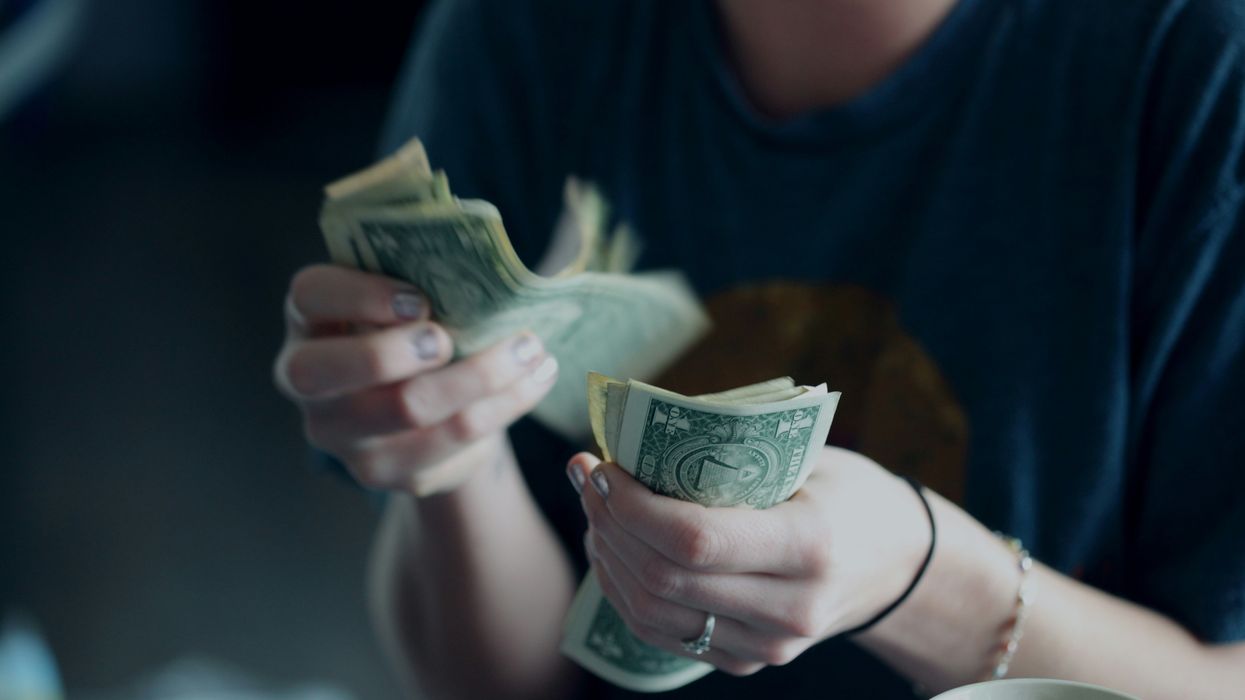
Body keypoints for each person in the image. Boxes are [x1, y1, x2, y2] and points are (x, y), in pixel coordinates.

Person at [273, 0, 1245, 698]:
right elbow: (503, 683)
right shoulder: (526, 29)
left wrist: (924, 577)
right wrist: (451, 463)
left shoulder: (1200, 68)